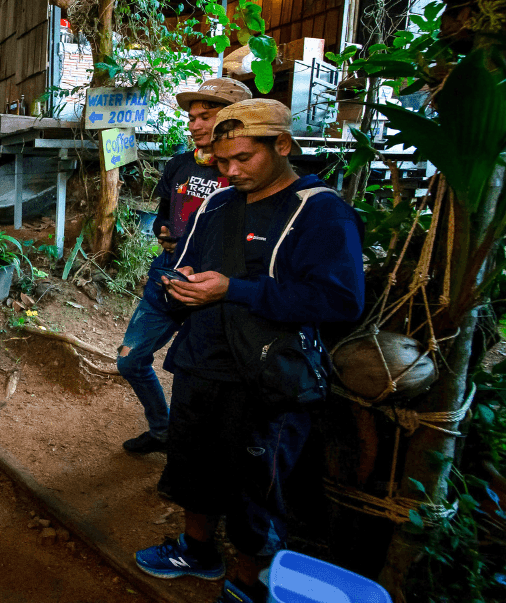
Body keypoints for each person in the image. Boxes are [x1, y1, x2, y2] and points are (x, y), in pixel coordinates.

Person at [134, 99, 365, 603]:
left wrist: (234, 290)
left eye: (243, 158)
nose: (231, 171)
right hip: (203, 360)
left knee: (257, 480)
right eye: (221, 161)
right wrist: (181, 282)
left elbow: (341, 300)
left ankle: (247, 578)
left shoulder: (320, 211)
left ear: (282, 145)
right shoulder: (218, 204)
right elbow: (188, 260)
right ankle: (197, 550)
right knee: (193, 460)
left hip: (269, 377)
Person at [117, 77, 252, 454]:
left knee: (200, 381)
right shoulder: (178, 166)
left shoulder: (246, 174)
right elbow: (164, 214)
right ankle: (163, 430)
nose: (193, 125)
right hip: (168, 277)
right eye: (192, 117)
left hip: (215, 293)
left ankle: (195, 451)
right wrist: (163, 229)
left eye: (205, 116)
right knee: (131, 362)